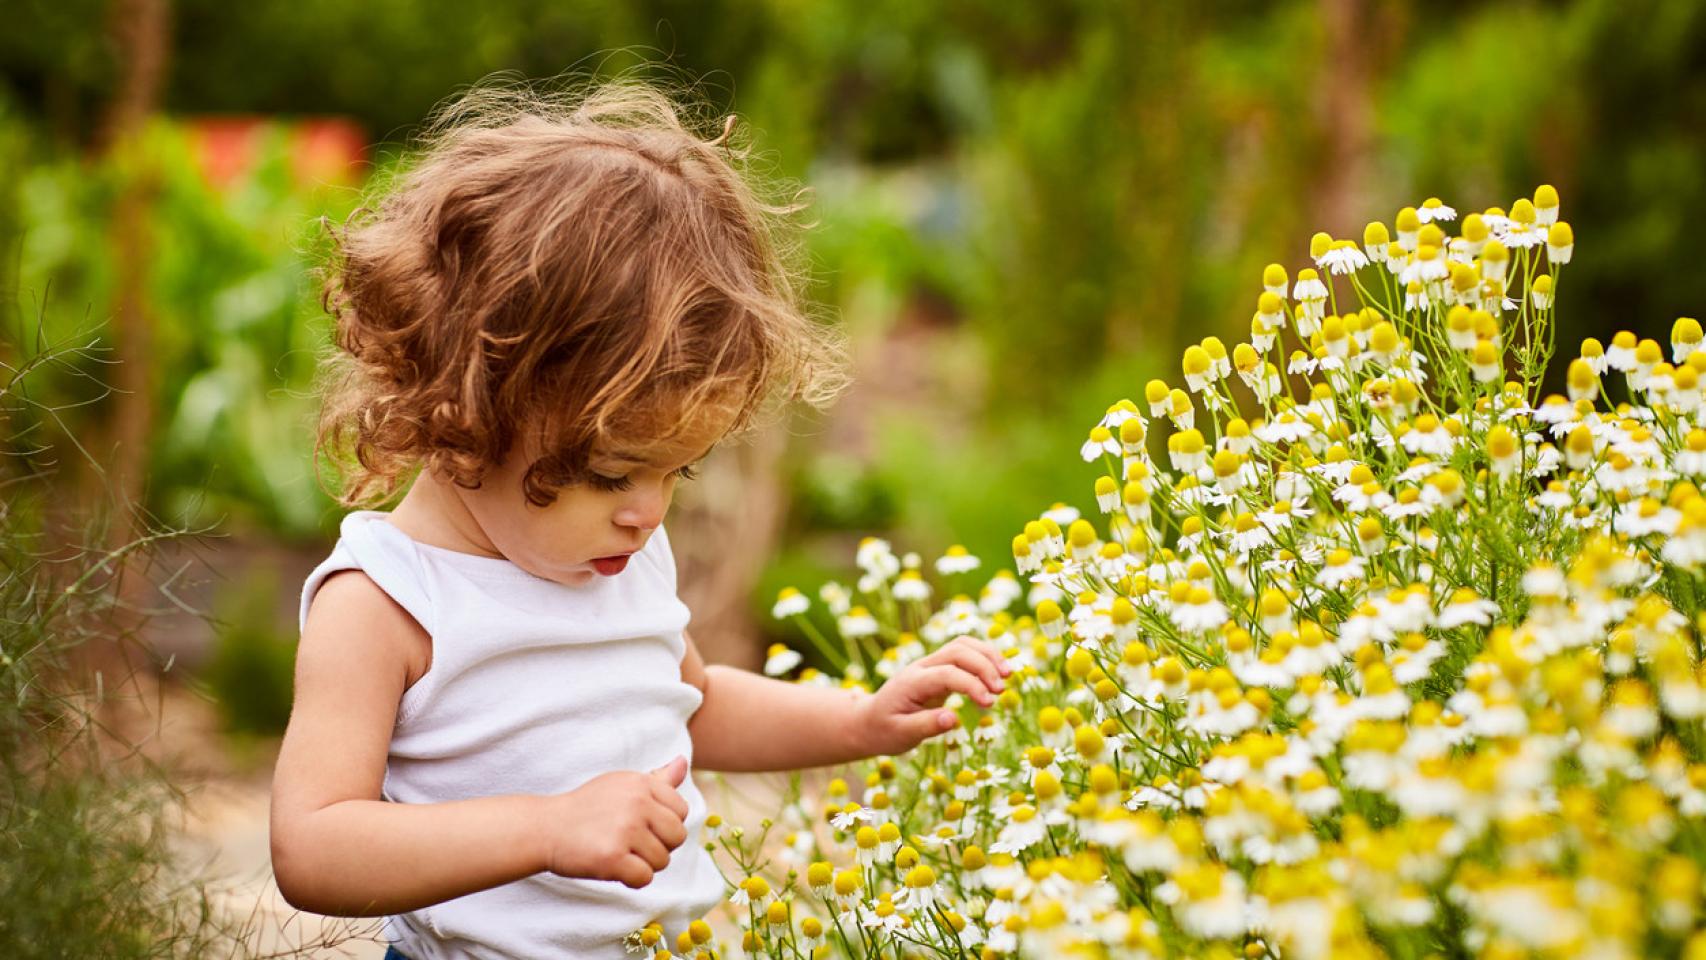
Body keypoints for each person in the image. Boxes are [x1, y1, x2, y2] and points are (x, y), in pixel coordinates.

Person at [268, 76, 1012, 959]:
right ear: (467, 407)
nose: (648, 513)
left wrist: (855, 722)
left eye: (678, 470)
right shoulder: (387, 603)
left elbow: (692, 706)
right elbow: (311, 844)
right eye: (614, 471)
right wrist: (545, 829)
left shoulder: (618, 551)